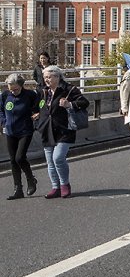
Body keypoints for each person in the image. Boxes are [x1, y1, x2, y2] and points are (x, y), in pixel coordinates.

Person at [34, 65, 89, 198]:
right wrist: (37, 118)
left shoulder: (69, 89)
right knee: (50, 162)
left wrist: (69, 104)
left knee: (58, 158)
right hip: (47, 129)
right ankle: (55, 187)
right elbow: (37, 106)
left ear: (57, 76)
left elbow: (84, 102)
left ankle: (65, 185)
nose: (47, 80)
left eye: (50, 77)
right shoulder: (43, 91)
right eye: (45, 77)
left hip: (64, 129)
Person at [3, 74, 39, 199]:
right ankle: (18, 188)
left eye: (16, 89)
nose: (13, 91)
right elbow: (1, 110)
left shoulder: (30, 95)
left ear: (22, 86)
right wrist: (3, 121)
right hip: (10, 131)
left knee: (19, 157)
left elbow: (39, 107)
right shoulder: (5, 95)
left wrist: (36, 114)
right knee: (13, 160)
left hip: (25, 130)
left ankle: (30, 179)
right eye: (10, 88)